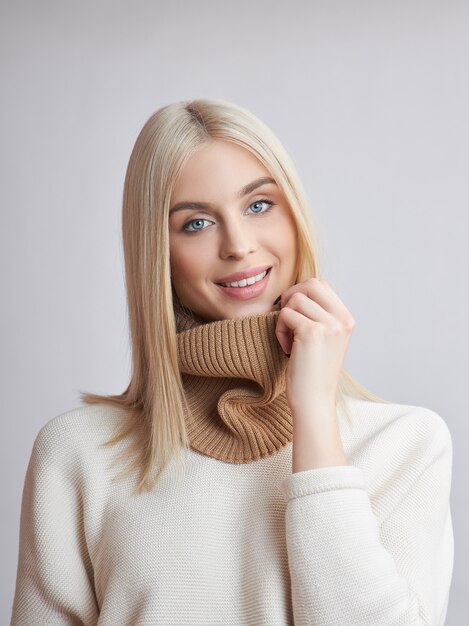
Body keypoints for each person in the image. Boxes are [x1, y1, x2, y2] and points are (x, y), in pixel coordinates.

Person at [11, 98, 454, 625]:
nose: (239, 245)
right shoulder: (78, 453)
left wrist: (311, 408)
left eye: (259, 205)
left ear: (294, 214)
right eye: (196, 223)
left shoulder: (405, 444)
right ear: (158, 251)